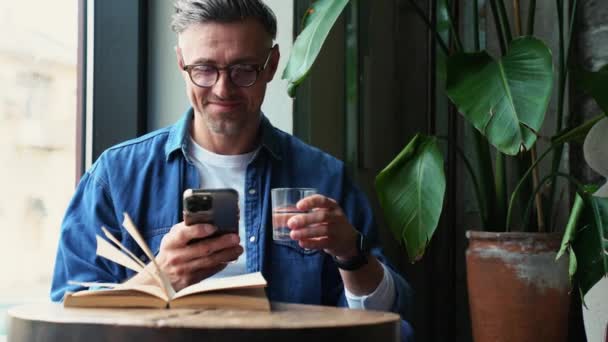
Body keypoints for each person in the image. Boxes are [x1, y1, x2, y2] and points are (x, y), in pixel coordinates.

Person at [51, 0, 413, 338]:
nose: (223, 89)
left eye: (243, 70)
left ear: (271, 65)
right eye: (204, 69)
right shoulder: (117, 176)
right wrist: (158, 279)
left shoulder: (324, 177)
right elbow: (65, 319)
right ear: (181, 63)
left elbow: (387, 326)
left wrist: (351, 254)